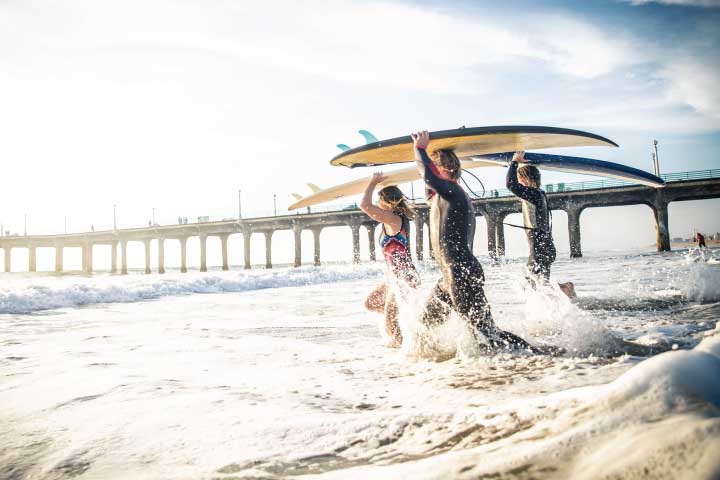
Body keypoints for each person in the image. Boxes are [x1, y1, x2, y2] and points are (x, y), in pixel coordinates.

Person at [411, 130, 539, 353]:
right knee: (424, 325)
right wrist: (424, 156)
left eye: (434, 165)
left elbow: (429, 177)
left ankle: (539, 357)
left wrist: (419, 148)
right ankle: (446, 368)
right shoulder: (443, 197)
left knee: (488, 333)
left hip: (460, 274)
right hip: (450, 277)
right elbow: (429, 184)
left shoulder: (453, 192)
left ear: (443, 169)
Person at [360, 172, 420, 347]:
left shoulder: (394, 219)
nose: (377, 205)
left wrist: (372, 182)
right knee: (370, 303)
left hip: (404, 278)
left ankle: (406, 354)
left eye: (379, 201)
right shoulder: (388, 221)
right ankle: (407, 327)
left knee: (390, 325)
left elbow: (364, 204)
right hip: (393, 278)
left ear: (387, 203)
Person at [506, 151, 575, 298]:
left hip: (539, 247)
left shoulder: (533, 193)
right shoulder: (540, 194)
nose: (518, 183)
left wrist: (514, 162)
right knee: (537, 284)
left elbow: (510, 184)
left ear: (524, 179)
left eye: (519, 179)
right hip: (546, 247)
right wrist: (512, 166)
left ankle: (565, 288)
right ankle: (562, 292)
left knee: (531, 285)